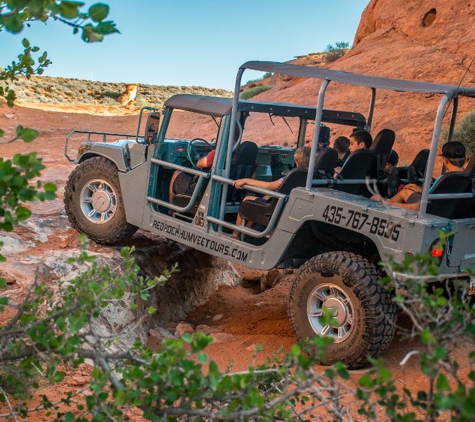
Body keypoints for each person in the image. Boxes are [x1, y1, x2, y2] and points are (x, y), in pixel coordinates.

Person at [233, 146, 311, 234]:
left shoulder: (293, 176)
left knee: (246, 199)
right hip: (291, 207)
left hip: (277, 209)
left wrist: (245, 180)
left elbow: (268, 186)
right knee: (267, 197)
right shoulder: (312, 177)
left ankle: (235, 234)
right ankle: (247, 231)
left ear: (296, 163)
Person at [371, 141, 466, 210]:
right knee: (407, 190)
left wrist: (391, 203)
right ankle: (391, 197)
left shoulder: (446, 178)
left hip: (428, 208)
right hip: (445, 206)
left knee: (406, 193)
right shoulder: (465, 177)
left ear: (445, 160)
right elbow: (439, 194)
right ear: (465, 158)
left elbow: (425, 203)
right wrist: (420, 190)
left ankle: (388, 202)